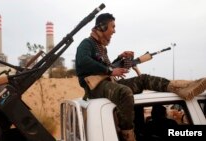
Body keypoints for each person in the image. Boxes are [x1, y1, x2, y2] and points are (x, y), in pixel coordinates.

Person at [75, 13, 206, 141]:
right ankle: (128, 136)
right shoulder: (87, 44)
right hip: (94, 87)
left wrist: (119, 58)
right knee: (124, 93)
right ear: (103, 27)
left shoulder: (101, 48)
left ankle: (181, 88)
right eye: (112, 27)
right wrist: (110, 70)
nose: (114, 31)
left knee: (143, 79)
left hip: (107, 83)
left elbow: (104, 66)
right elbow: (83, 61)